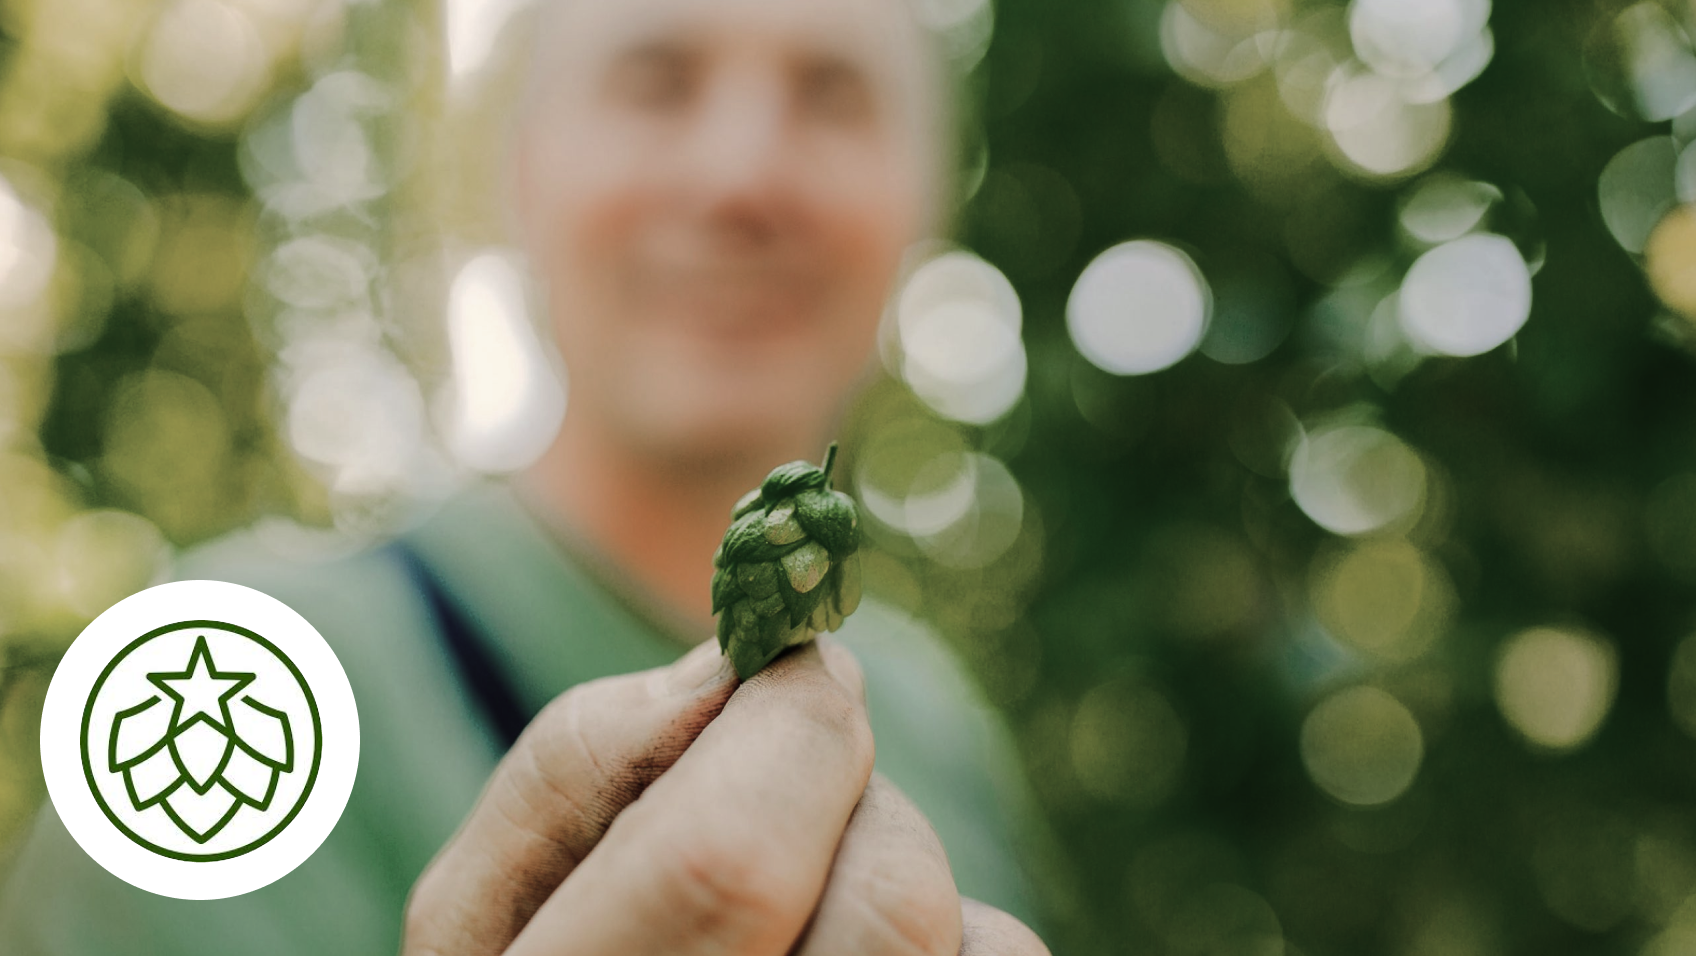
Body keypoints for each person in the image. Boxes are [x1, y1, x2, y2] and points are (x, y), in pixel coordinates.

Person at [0, 0, 1054, 951]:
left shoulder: (937, 723)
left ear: (926, 199)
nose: (740, 175)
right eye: (657, 80)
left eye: (832, 98)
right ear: (520, 168)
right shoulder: (225, 669)